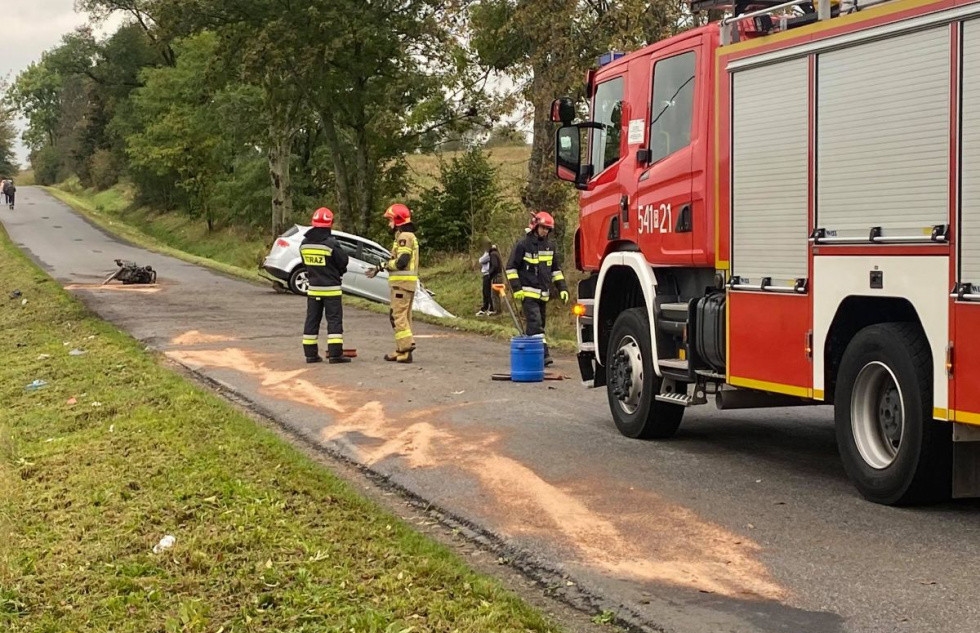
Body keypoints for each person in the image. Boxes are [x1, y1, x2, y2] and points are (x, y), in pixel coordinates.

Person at [505, 211, 568, 366]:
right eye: (543, 228)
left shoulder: (550, 246)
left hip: (543, 295)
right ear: (535, 226)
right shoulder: (523, 245)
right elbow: (511, 268)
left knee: (538, 326)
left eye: (548, 229)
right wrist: (517, 289)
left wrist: (562, 288)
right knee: (535, 323)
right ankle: (544, 354)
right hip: (527, 292)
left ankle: (530, 354)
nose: (545, 231)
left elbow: (555, 270)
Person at [367, 203, 419, 363]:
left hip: (402, 284)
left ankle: (405, 346)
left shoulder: (404, 237)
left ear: (398, 221)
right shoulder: (407, 237)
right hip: (405, 284)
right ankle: (403, 352)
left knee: (397, 316)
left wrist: (383, 265)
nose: (389, 224)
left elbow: (402, 262)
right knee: (403, 317)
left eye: (390, 220)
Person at [300, 207, 351, 364]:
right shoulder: (331, 244)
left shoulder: (304, 244)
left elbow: (305, 263)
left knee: (312, 320)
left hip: (313, 288)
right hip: (331, 290)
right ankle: (335, 355)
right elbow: (343, 262)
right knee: (334, 321)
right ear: (330, 224)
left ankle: (310, 355)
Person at [476, 237, 502, 316]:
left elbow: (494, 265)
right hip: (494, 275)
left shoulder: (492, 254)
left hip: (493, 276)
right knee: (491, 293)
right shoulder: (492, 253)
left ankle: (494, 310)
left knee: (493, 294)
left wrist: (490, 273)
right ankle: (492, 309)